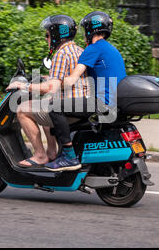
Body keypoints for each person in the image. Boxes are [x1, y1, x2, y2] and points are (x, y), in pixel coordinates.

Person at [45, 11, 127, 171]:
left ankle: (68, 156)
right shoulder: (111, 49)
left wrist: (51, 82)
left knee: (54, 107)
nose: (83, 35)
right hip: (114, 102)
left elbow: (70, 80)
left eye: (84, 30)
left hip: (100, 103)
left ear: (90, 30)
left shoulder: (93, 49)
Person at [6, 15, 88, 170]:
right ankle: (51, 152)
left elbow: (51, 88)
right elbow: (66, 77)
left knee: (23, 109)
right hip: (80, 105)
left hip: (68, 110)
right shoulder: (78, 50)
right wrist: (46, 78)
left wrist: (25, 86)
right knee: (44, 103)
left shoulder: (61, 54)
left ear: (57, 35)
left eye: (48, 35)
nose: (46, 39)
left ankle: (40, 155)